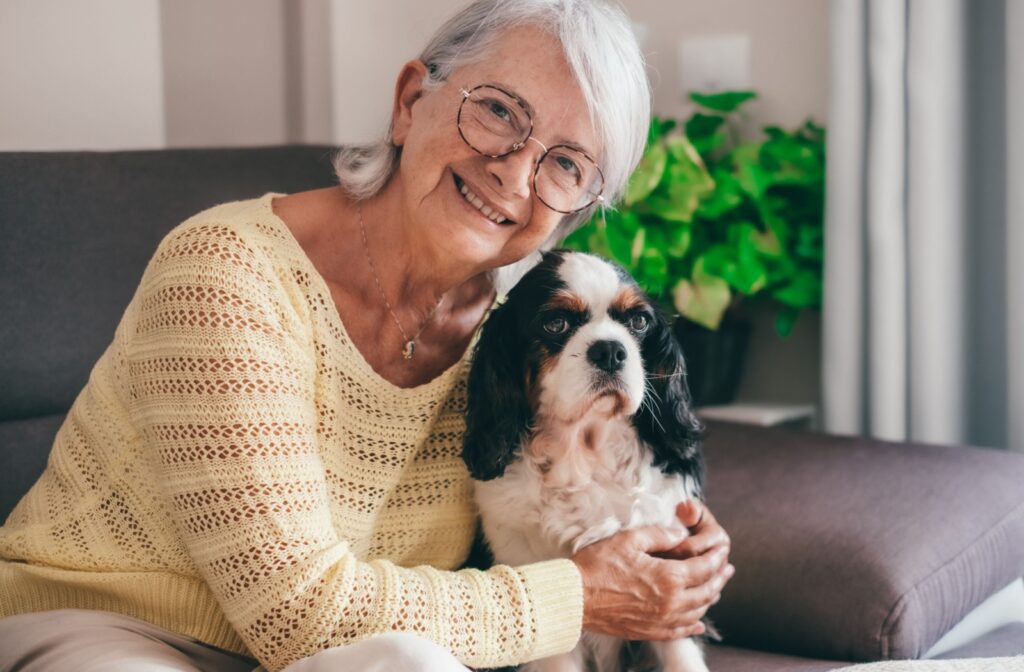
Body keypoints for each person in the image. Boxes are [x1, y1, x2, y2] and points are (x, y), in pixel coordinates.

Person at [0, 1, 733, 670]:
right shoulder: (228, 273)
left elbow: (589, 489)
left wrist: (674, 549)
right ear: (411, 101)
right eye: (501, 113)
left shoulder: (523, 337)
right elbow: (297, 613)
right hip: (112, 630)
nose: (514, 173)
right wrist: (583, 594)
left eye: (566, 164)